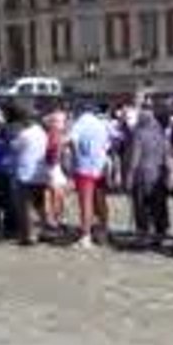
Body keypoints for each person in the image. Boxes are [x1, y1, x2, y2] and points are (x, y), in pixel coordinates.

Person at [69, 104, 112, 249]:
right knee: (100, 200)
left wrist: (74, 160)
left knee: (85, 202)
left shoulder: (79, 123)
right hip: (100, 166)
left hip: (84, 167)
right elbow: (108, 144)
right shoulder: (101, 124)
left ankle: (85, 236)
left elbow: (73, 141)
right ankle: (103, 231)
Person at [127, 108, 172, 245]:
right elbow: (167, 156)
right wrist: (170, 175)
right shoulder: (161, 133)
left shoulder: (139, 134)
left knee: (141, 205)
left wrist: (129, 176)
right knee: (158, 205)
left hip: (142, 174)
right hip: (159, 174)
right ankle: (160, 233)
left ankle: (143, 234)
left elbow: (135, 158)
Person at [12, 106, 47, 246]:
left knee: (26, 206)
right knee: (40, 205)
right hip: (41, 173)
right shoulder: (43, 133)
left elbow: (15, 147)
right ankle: (43, 230)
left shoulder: (24, 134)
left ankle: (29, 235)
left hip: (26, 174)